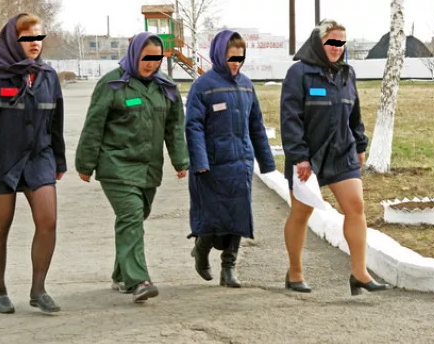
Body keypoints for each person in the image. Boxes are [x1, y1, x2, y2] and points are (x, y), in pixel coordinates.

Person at [74, 32, 188, 303]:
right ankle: (139, 280)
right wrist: (85, 164)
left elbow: (175, 127)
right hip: (116, 165)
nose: (150, 64)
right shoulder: (112, 84)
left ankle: (120, 274)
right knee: (132, 216)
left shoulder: (166, 87)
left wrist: (180, 160)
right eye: (145, 58)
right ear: (134, 54)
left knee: (136, 217)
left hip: (149, 168)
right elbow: (94, 125)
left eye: (156, 59)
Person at [280, 19, 390, 295]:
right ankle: (294, 272)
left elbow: (354, 113)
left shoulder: (346, 74)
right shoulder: (299, 73)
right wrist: (299, 156)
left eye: (341, 42)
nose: (337, 47)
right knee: (301, 213)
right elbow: (290, 118)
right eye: (332, 42)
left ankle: (359, 273)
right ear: (319, 42)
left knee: (356, 207)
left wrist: (360, 144)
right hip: (309, 156)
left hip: (342, 152)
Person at [0, 13, 66, 314]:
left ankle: (38, 289)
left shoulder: (48, 76)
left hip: (39, 158)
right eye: (27, 38)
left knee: (48, 222)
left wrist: (58, 159)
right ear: (13, 40)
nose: (34, 44)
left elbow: (55, 122)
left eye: (38, 37)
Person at [185, 30, 275, 288]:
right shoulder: (203, 86)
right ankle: (201, 251)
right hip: (211, 167)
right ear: (219, 55)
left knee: (238, 216)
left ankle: (229, 268)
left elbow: (256, 125)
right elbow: (193, 126)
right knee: (212, 219)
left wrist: (266, 162)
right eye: (232, 58)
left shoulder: (247, 85)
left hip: (241, 164)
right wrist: (200, 161)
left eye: (240, 58)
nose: (236, 62)